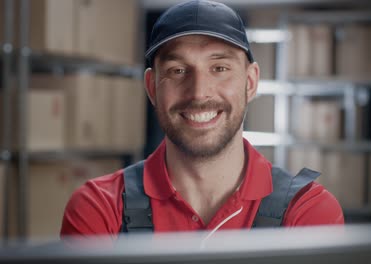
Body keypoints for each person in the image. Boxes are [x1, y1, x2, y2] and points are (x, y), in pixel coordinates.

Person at [60, 0, 343, 237]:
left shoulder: (308, 211)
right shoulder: (99, 207)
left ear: (250, 82)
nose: (198, 93)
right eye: (178, 70)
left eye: (219, 68)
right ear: (151, 87)